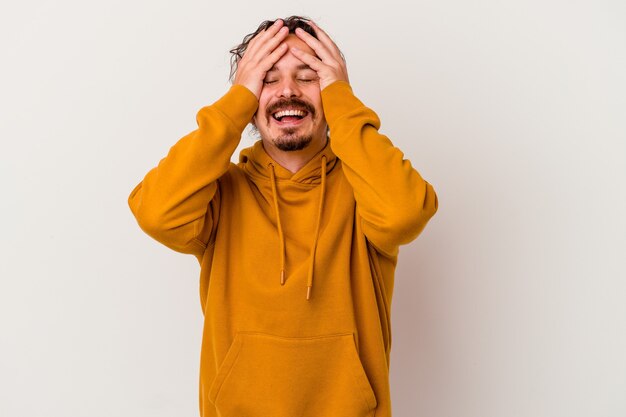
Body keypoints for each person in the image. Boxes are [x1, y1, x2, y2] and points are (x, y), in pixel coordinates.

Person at [128, 15, 438, 417]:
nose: (287, 91)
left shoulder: (366, 189)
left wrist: (342, 101)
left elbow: (405, 213)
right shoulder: (220, 194)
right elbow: (156, 212)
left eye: (308, 76)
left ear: (332, 89)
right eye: (267, 78)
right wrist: (235, 103)